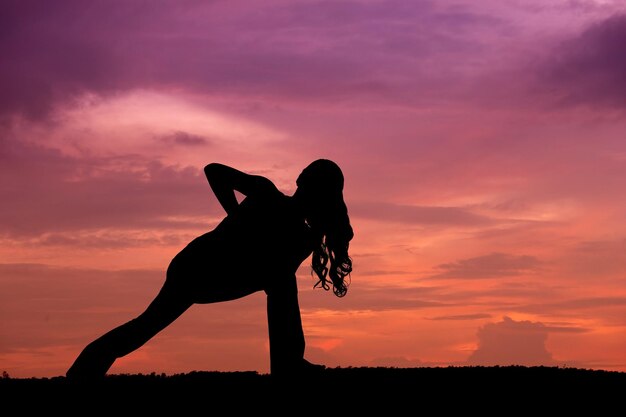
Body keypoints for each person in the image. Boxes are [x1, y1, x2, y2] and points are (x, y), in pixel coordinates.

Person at [66, 159, 354, 380]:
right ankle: (84, 369)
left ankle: (288, 363)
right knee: (146, 325)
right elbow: (214, 170)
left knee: (281, 281)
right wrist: (236, 214)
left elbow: (280, 271)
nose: (309, 196)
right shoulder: (267, 195)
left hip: (233, 275)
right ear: (301, 183)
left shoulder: (303, 237)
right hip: (197, 267)